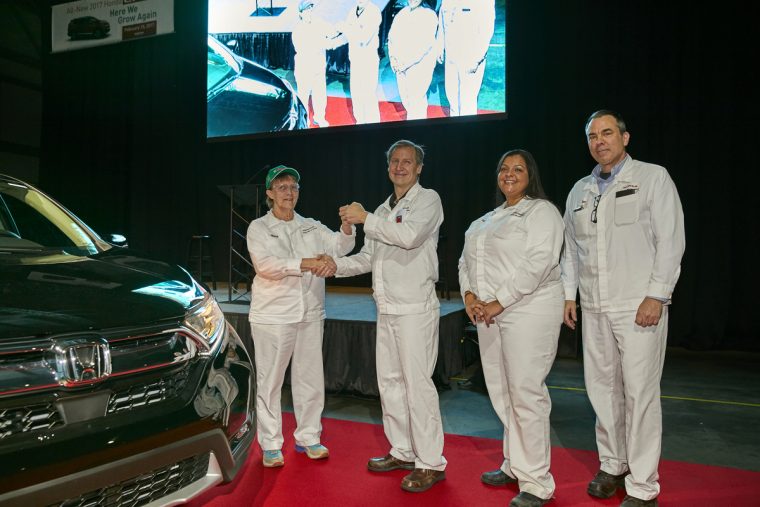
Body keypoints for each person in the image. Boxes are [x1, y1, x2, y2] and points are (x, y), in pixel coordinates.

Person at [560, 110, 685, 507]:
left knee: (640, 394)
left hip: (638, 307)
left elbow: (671, 240)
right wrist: (569, 296)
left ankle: (644, 485)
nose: (600, 141)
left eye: (608, 133)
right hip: (594, 307)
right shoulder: (579, 191)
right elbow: (571, 252)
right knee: (602, 391)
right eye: (593, 135)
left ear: (625, 138)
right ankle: (613, 464)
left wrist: (657, 294)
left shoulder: (652, 177)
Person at [322, 139, 447, 492]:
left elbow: (408, 237)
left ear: (419, 168)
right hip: (387, 308)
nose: (400, 166)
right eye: (395, 161)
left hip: (415, 309)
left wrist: (366, 218)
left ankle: (430, 462)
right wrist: (335, 266)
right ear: (387, 166)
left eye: (408, 161)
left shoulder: (428, 200)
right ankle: (403, 450)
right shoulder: (382, 208)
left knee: (418, 386)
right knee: (390, 383)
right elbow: (367, 258)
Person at [458, 149, 564, 507]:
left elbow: (540, 262)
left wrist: (498, 300)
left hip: (528, 311)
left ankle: (536, 482)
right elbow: (464, 262)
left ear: (530, 175)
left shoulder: (542, 212)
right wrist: (470, 295)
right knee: (501, 392)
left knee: (526, 394)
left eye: (518, 168)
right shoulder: (485, 220)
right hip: (488, 314)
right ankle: (515, 463)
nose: (509, 173)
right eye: (504, 168)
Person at [246, 164, 355, 467]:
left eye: (293, 187)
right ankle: (270, 443)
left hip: (310, 312)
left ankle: (309, 437)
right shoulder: (259, 227)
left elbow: (339, 246)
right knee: (271, 381)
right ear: (269, 193)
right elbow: (267, 265)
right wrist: (309, 263)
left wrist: (346, 227)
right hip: (273, 315)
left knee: (310, 378)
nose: (289, 193)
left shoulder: (310, 225)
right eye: (281, 187)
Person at [436, 0, 495, 116]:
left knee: (467, 100)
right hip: (451, 56)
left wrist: (477, 58)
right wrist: (440, 46)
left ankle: (467, 132)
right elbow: (442, 19)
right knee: (452, 97)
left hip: (470, 58)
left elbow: (487, 29)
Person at [292, 1, 342, 127]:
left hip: (318, 68)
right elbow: (308, 47)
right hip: (304, 69)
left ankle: (319, 117)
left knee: (319, 94)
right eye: (306, 10)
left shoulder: (319, 23)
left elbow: (332, 32)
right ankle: (304, 120)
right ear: (301, 14)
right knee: (303, 96)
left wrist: (342, 27)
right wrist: (326, 42)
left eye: (310, 9)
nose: (309, 12)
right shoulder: (298, 31)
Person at [386, 0, 439, 120]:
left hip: (419, 66)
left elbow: (424, 45)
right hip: (400, 66)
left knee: (416, 102)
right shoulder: (401, 14)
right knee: (407, 100)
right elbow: (391, 38)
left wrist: (404, 63)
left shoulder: (429, 15)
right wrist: (393, 59)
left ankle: (417, 133)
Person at [340, 0, 382, 124]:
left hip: (368, 61)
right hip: (355, 60)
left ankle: (373, 127)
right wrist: (330, 41)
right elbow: (346, 35)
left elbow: (364, 37)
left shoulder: (374, 12)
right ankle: (360, 122)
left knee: (368, 95)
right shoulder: (353, 11)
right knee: (356, 94)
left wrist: (345, 28)